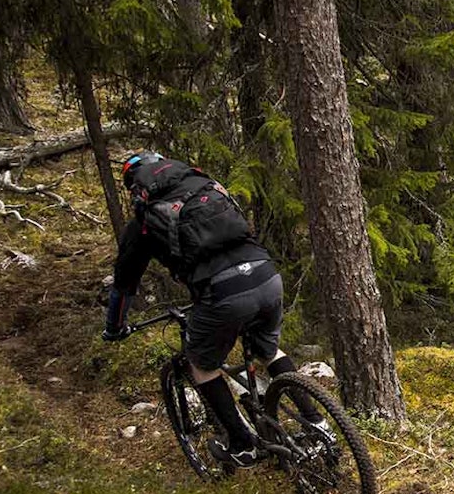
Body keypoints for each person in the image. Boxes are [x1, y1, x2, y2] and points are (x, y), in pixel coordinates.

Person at [101, 151, 318, 469]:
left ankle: (243, 445)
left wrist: (115, 327)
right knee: (267, 350)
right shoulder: (207, 189)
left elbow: (124, 284)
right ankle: (317, 423)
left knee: (201, 365)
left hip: (222, 292)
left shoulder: (146, 221)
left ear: (137, 187)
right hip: (266, 274)